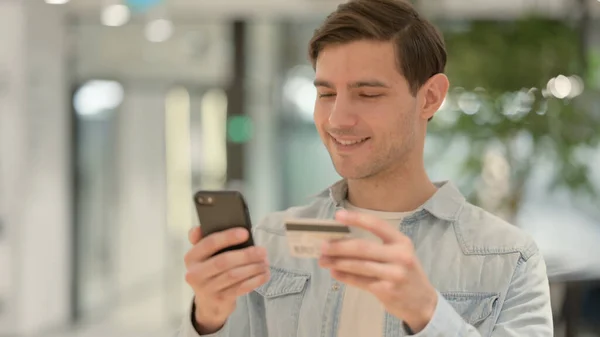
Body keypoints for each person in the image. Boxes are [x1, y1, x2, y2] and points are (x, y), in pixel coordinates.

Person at [177, 0, 553, 336]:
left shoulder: (508, 258)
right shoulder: (271, 243)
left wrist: (428, 314)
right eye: (325, 94)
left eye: (368, 94)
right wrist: (208, 319)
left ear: (430, 97)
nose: (337, 118)